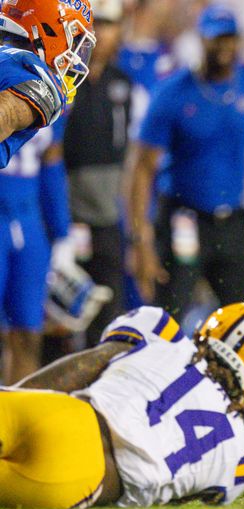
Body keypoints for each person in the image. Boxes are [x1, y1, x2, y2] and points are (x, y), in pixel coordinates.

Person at [3, 303, 244, 509]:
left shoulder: (162, 333)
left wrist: (15, 397)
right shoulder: (238, 460)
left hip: (61, 412)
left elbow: (86, 364)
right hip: (82, 475)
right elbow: (176, 494)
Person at [126, 4, 244, 317]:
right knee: (169, 313)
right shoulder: (173, 93)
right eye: (215, 39)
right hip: (183, 218)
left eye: (229, 38)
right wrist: (140, 238)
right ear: (201, 40)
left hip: (232, 219)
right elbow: (142, 169)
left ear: (239, 40)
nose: (223, 46)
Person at [62, 0, 131, 346]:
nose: (100, 33)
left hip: (107, 216)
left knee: (108, 314)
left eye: (108, 24)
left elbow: (132, 157)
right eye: (96, 23)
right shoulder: (62, 79)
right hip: (68, 215)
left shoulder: (124, 84)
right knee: (60, 319)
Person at [0, 119, 71, 384]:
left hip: (30, 221)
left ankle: (13, 417)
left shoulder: (53, 87)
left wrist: (62, 232)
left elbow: (52, 158)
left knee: (28, 333)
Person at [0, 0, 95, 167]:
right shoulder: (32, 76)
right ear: (50, 31)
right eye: (74, 41)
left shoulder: (7, 58)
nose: (74, 59)